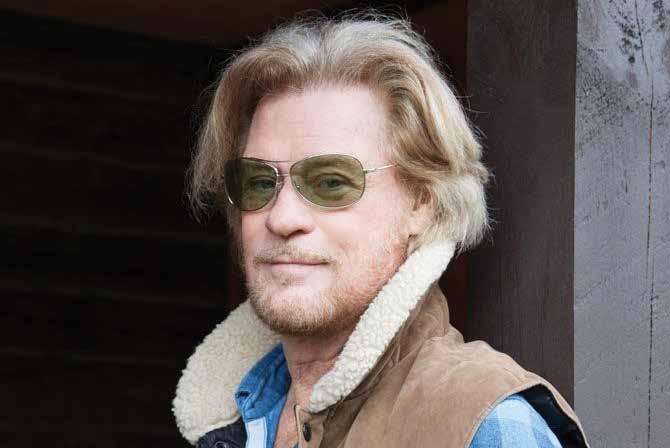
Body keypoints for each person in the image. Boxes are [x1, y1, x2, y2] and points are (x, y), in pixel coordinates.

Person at [172, 13, 590, 448]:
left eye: (330, 182)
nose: (282, 218)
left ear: (422, 201)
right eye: (259, 182)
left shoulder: (485, 427)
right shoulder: (230, 417)